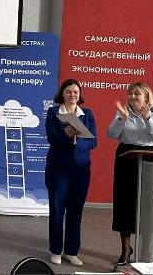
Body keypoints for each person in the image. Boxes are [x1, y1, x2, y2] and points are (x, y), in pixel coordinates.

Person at [106, 81, 153, 266]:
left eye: (137, 93)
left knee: (146, 205)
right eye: (130, 93)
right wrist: (122, 119)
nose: (132, 96)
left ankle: (145, 250)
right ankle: (125, 249)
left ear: (146, 97)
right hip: (126, 158)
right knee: (124, 204)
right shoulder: (123, 112)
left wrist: (147, 119)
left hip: (148, 158)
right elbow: (111, 134)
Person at [44, 79, 97, 267]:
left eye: (75, 92)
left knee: (76, 211)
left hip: (80, 170)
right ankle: (56, 250)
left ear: (79, 94)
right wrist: (65, 136)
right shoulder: (53, 112)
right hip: (58, 168)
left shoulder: (87, 114)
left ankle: (71, 252)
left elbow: (93, 142)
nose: (72, 94)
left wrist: (76, 140)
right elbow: (51, 138)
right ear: (62, 94)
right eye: (68, 91)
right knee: (57, 210)